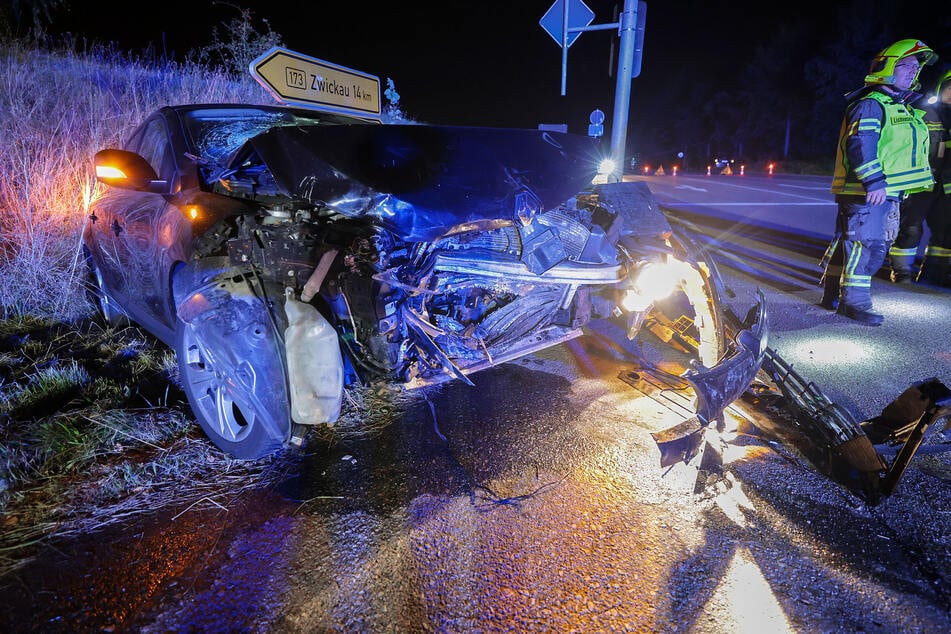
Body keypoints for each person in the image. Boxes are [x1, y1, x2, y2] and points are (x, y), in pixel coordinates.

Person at [820, 39, 938, 325]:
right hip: (868, 190)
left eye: (916, 67)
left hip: (886, 191)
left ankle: (832, 293)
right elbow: (861, 142)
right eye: (906, 65)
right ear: (887, 67)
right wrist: (873, 181)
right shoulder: (871, 104)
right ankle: (854, 303)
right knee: (867, 244)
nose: (913, 71)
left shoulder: (899, 105)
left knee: (852, 242)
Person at [888, 68, 951, 286]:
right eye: (950, 87)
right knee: (911, 227)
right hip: (920, 182)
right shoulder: (922, 111)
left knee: (944, 231)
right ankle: (901, 271)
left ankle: (934, 272)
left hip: (946, 187)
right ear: (941, 87)